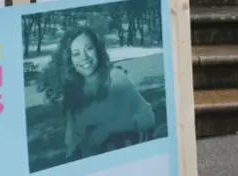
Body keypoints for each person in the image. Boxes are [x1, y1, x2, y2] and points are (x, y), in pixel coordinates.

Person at [38, 26, 156, 162]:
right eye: (76, 54)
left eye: (88, 48)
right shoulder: (71, 91)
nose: (85, 58)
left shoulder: (116, 78)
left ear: (97, 49)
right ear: (69, 60)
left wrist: (107, 130)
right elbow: (72, 142)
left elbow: (148, 117)